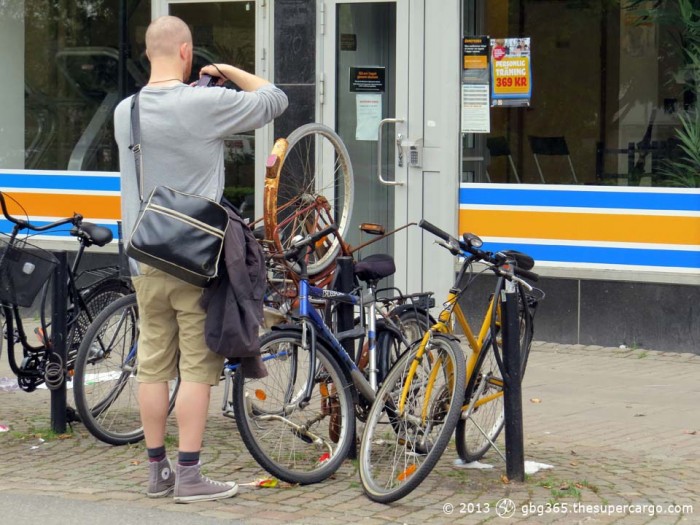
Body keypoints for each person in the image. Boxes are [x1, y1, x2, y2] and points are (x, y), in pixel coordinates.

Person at [113, 15, 287, 503]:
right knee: (197, 367)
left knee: (152, 364)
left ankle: (157, 472)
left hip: (145, 256)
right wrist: (229, 71)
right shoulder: (204, 102)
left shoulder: (126, 111)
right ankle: (189, 475)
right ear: (187, 52)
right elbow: (275, 99)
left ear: (149, 53)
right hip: (196, 259)